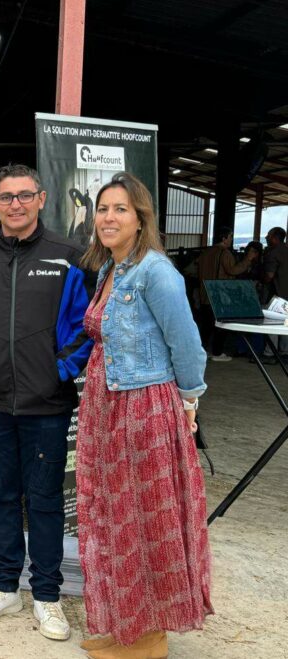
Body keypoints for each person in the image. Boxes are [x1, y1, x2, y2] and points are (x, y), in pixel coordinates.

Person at [0, 164, 92, 642]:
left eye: (24, 196)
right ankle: (5, 585)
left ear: (42, 198)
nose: (15, 204)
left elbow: (88, 326)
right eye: (6, 197)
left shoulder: (70, 258)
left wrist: (60, 370)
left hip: (47, 403)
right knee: (1, 495)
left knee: (46, 500)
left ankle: (47, 595)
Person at [75, 172, 212, 657]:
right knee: (113, 518)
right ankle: (125, 623)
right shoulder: (109, 269)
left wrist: (190, 399)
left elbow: (187, 344)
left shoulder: (156, 271)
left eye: (121, 210)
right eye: (103, 209)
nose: (109, 218)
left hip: (143, 408)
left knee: (144, 520)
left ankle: (150, 636)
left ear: (141, 219)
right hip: (107, 405)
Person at [196, 226, 254, 361]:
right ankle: (217, 353)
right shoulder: (225, 253)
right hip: (220, 294)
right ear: (224, 238)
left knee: (206, 325)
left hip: (205, 292)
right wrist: (248, 260)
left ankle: (202, 350)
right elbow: (232, 271)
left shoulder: (206, 252)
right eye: (230, 237)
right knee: (221, 325)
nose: (231, 239)